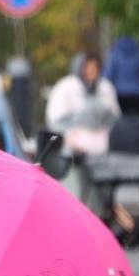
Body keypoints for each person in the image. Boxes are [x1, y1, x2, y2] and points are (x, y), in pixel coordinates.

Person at [45, 52, 120, 207]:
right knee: (75, 195)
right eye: (87, 68)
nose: (91, 73)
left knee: (100, 198)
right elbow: (56, 123)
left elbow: (115, 120)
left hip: (101, 154)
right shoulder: (65, 88)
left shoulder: (105, 88)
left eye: (95, 68)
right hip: (73, 154)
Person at [102, 35, 139, 115]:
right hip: (138, 93)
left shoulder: (115, 53)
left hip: (119, 93)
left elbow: (108, 75)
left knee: (122, 120)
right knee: (136, 119)